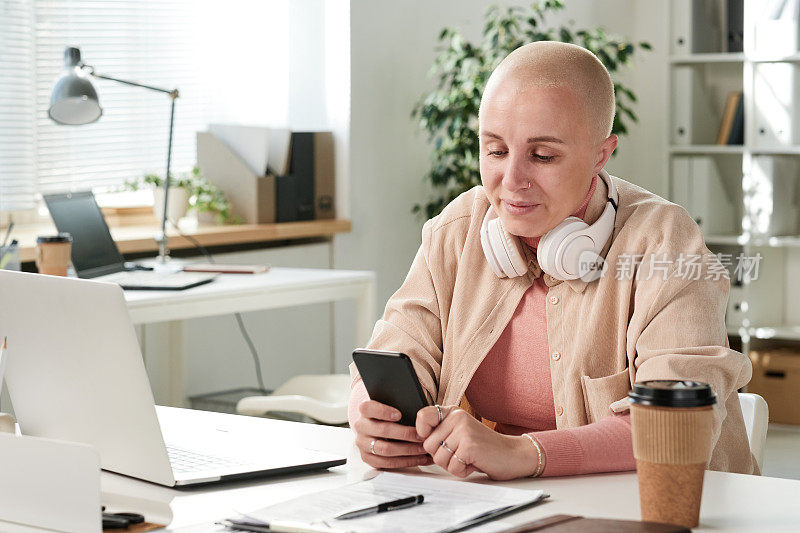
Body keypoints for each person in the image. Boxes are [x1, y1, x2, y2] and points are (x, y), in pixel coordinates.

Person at [348, 41, 757, 480]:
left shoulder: (665, 243)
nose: (512, 181)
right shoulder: (458, 230)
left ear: (601, 154)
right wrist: (370, 416)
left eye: (543, 156)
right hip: (499, 504)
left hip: (659, 506)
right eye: (496, 151)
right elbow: (396, 349)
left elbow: (676, 424)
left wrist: (525, 454)